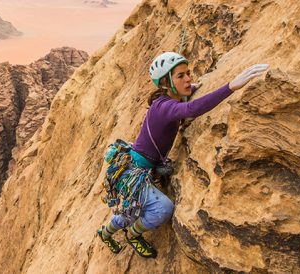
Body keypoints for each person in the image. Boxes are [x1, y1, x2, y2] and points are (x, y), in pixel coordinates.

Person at [97, 52, 269, 257]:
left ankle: (105, 234)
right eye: (181, 76)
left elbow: (186, 99)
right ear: (165, 83)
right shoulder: (164, 107)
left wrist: (193, 87)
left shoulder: (166, 100)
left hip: (138, 166)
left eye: (188, 73)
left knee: (131, 209)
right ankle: (132, 235)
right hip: (135, 171)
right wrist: (231, 86)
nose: (188, 79)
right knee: (162, 209)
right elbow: (190, 109)